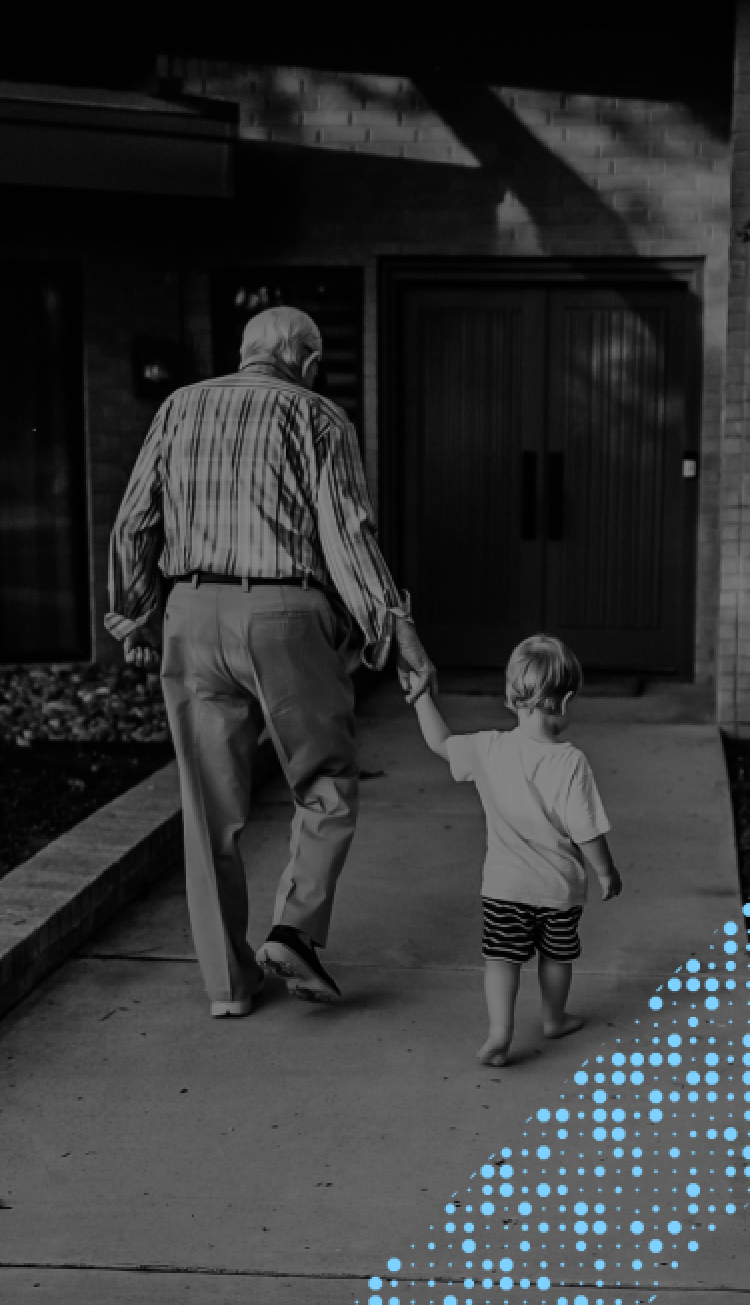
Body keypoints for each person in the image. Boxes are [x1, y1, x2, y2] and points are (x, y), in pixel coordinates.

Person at [106, 306, 436, 1016]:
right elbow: (347, 536)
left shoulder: (178, 407)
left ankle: (228, 988)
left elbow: (136, 518)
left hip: (192, 615)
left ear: (246, 351)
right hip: (285, 615)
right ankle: (293, 930)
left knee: (208, 809)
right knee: (326, 778)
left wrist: (136, 615)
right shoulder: (319, 417)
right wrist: (397, 630)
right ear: (308, 362)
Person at [409, 633, 621, 1065]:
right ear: (564, 703)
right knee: (557, 957)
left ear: (511, 695)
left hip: (504, 887)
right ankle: (553, 1018)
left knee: (501, 961)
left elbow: (440, 744)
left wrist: (420, 699)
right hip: (558, 890)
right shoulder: (570, 761)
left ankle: (500, 1033)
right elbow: (585, 830)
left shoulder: (488, 748)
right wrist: (606, 872)